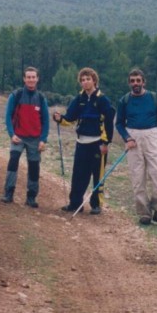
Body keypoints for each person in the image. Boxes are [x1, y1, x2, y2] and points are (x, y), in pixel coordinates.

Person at [52, 67, 116, 215]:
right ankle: (75, 203)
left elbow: (108, 122)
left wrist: (106, 143)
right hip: (81, 143)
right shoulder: (78, 99)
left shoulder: (102, 100)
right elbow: (70, 118)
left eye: (88, 79)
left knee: (97, 175)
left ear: (94, 80)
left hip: (98, 144)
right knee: (78, 174)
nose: (85, 82)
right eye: (82, 80)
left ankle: (96, 204)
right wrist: (60, 119)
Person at [115, 68, 157, 225]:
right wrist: (127, 138)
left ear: (144, 82)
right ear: (129, 83)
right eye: (132, 81)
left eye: (138, 80)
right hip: (133, 138)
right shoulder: (124, 101)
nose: (135, 83)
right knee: (138, 177)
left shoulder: (153, 98)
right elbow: (119, 124)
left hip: (152, 135)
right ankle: (144, 212)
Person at [0, 66, 50, 208]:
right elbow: (8, 116)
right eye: (28, 77)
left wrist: (43, 139)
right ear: (24, 79)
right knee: (13, 161)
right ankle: (8, 193)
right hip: (18, 137)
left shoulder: (41, 98)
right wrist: (12, 134)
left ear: (37, 79)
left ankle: (31, 197)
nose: (31, 79)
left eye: (33, 77)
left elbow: (46, 121)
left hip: (35, 139)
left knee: (34, 167)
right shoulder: (15, 95)